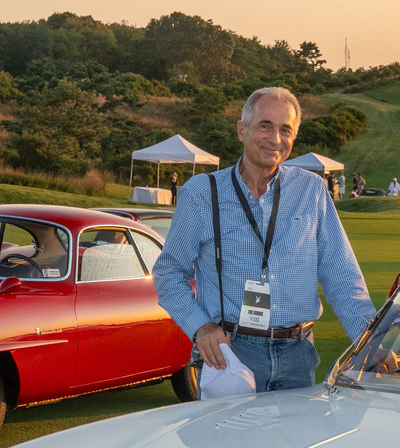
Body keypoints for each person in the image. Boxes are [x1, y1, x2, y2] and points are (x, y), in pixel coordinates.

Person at [152, 87, 374, 392]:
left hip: (299, 354)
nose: (275, 139)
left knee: (297, 442)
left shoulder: (312, 190)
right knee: (231, 439)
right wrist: (200, 327)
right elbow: (169, 273)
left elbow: (342, 276)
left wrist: (371, 341)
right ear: (242, 130)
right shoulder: (202, 193)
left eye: (286, 129)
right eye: (265, 126)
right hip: (231, 353)